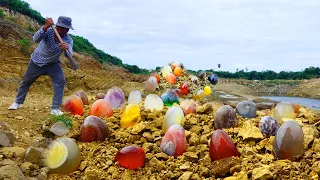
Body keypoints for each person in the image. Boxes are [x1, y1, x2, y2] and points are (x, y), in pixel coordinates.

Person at [8, 16, 74, 116]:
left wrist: (67, 49)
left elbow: (69, 55)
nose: (65, 30)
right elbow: (35, 39)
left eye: (67, 28)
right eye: (62, 28)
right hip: (37, 61)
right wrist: (45, 26)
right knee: (26, 81)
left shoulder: (68, 40)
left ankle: (55, 109)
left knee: (60, 81)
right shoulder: (48, 31)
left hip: (53, 64)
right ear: (57, 26)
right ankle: (17, 102)